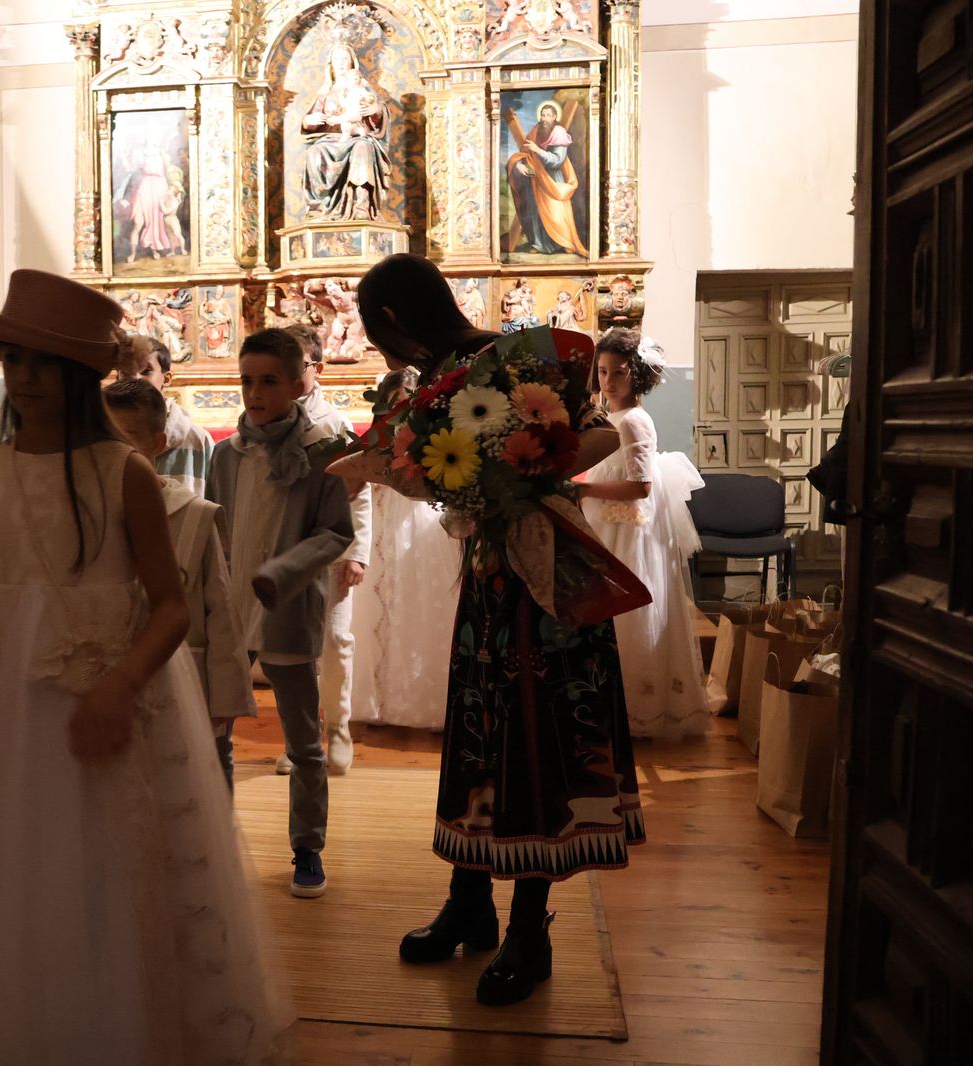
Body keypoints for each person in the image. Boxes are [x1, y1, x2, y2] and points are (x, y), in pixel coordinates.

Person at [0, 269, 290, 1063]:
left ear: (78, 377)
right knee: (10, 860)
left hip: (115, 696)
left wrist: (119, 682)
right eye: (15, 361)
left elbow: (171, 605)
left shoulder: (123, 472)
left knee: (110, 860)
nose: (26, 380)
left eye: (44, 365)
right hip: (4, 704)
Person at [355, 253, 636, 1008]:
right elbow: (436, 470)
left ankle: (529, 929)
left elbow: (598, 436)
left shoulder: (511, 361)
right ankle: (470, 901)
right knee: (479, 735)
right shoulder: (430, 384)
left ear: (392, 320)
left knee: (536, 743)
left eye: (377, 336)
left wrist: (526, 473)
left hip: (544, 582)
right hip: (490, 580)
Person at [207, 328, 354, 898]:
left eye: (269, 380)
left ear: (298, 384)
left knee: (302, 741)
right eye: (246, 380)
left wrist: (285, 571)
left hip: (287, 608)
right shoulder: (225, 454)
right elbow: (216, 527)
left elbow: (336, 530)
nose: (255, 392)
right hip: (229, 611)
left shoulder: (322, 451)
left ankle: (307, 848)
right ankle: (215, 839)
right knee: (217, 727)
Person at [102, 379, 256, 788]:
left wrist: (224, 699)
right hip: (115, 682)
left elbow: (221, 613)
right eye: (106, 437)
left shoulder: (194, 515)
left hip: (187, 681)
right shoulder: (89, 515)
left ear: (158, 443)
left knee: (199, 781)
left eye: (128, 437)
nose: (115, 451)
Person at [577, 329, 709, 740]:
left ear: (638, 376)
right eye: (602, 372)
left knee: (627, 621)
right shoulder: (610, 416)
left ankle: (638, 710)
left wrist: (582, 488)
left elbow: (640, 486)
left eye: (618, 373)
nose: (608, 382)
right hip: (608, 524)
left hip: (627, 533)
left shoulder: (633, 420)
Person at [349, 367, 465, 731]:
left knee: (417, 600)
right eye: (394, 401)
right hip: (384, 513)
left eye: (407, 401)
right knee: (376, 605)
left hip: (418, 516)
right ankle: (375, 699)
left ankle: (416, 698)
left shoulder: (434, 428)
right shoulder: (377, 433)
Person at [280, 323, 369, 774]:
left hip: (331, 549)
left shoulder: (333, 423)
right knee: (295, 645)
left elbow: (360, 489)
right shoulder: (268, 426)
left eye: (298, 366)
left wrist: (357, 552)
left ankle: (338, 728)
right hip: (286, 553)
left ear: (316, 368)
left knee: (334, 639)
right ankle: (300, 736)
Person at [114, 333, 215, 494]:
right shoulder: (103, 437)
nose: (134, 378)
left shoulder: (197, 440)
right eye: (126, 372)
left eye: (146, 371)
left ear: (166, 379)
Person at [301, 45, 391, 221]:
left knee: (363, 148)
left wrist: (376, 109)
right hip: (329, 139)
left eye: (345, 59)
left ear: (352, 63)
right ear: (331, 65)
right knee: (314, 153)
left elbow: (377, 110)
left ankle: (361, 206)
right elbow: (311, 118)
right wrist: (308, 121)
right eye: (337, 59)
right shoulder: (325, 92)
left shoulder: (364, 88)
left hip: (357, 136)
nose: (341, 63)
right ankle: (318, 208)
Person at [503, 100, 589, 257]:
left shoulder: (559, 133)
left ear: (554, 117)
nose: (544, 118)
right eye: (543, 115)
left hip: (553, 178)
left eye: (548, 115)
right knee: (535, 212)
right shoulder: (535, 131)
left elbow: (557, 160)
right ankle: (539, 244)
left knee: (555, 213)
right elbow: (525, 152)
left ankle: (563, 242)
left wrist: (538, 151)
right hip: (535, 178)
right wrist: (519, 165)